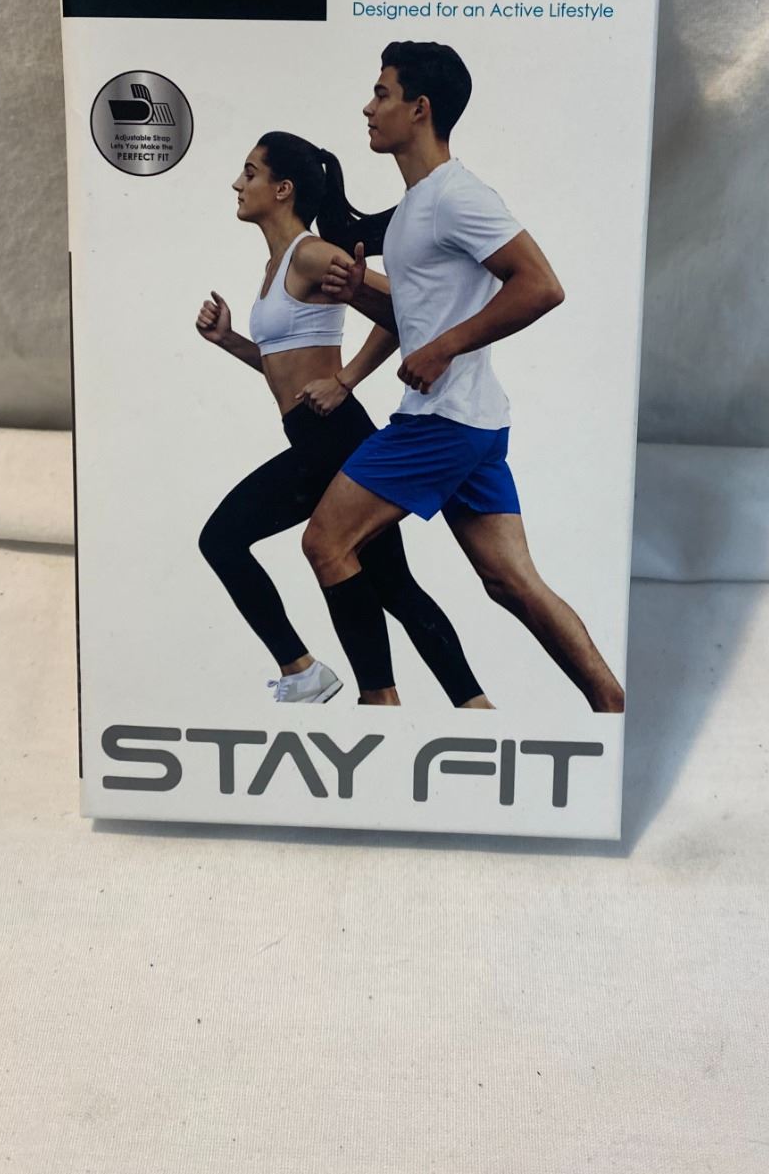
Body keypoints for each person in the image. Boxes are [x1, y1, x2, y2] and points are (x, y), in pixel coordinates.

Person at [300, 42, 626, 713]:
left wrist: (447, 346)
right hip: (472, 421)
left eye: (382, 94)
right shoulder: (417, 206)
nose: (368, 108)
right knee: (511, 583)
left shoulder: (458, 196)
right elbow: (415, 319)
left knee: (326, 541)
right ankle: (611, 709)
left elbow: (541, 285)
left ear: (419, 109)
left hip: (442, 421)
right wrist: (358, 292)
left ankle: (378, 708)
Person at [194, 129, 492, 708]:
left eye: (249, 173)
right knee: (394, 586)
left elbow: (411, 308)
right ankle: (467, 706)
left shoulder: (310, 254)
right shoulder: (278, 264)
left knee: (222, 540)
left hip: (332, 438)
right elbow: (286, 369)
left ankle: (305, 671)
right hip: (318, 434)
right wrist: (229, 340)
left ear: (283, 189)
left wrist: (347, 378)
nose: (237, 183)